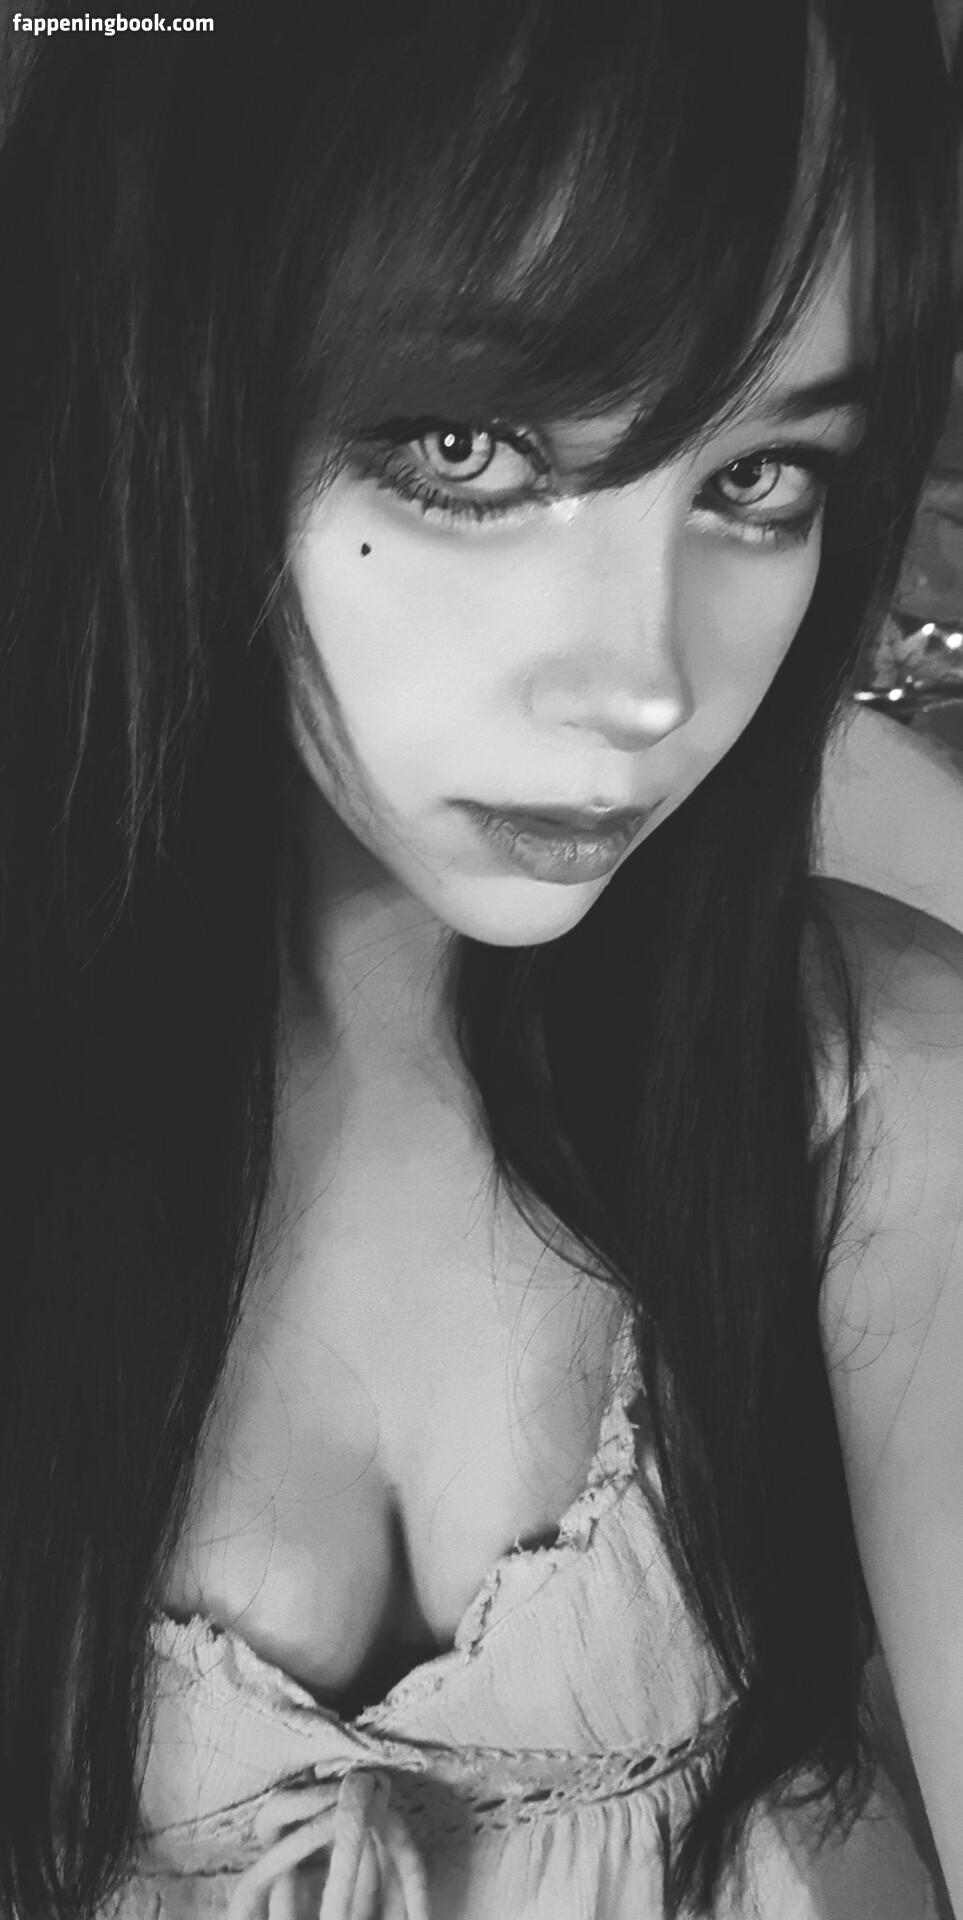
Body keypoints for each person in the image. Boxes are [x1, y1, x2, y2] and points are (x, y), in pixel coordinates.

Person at [0, 2, 961, 1916]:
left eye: (757, 479)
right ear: (164, 378)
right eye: (474, 449)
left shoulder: (867, 1098)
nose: (646, 684)